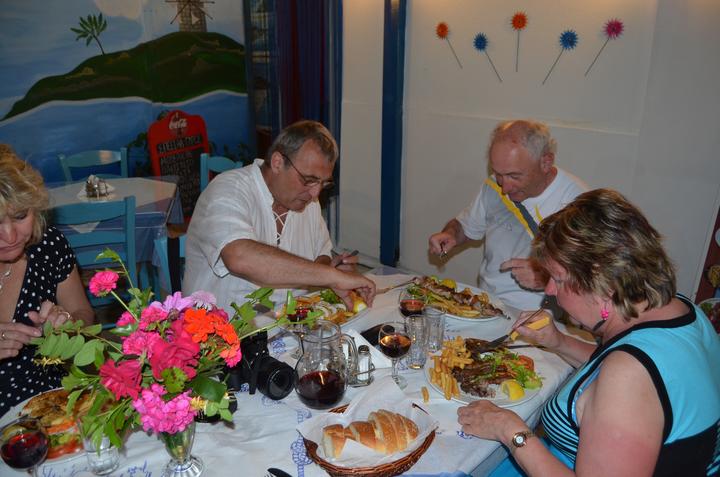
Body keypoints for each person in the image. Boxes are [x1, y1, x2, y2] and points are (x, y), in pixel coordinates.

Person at [457, 189, 720, 476]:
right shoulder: (680, 308)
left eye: (558, 279)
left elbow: (628, 378)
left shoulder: (628, 377)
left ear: (601, 283)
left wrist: (510, 430)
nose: (549, 290)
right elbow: (616, 369)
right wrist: (559, 341)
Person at [183, 120, 375, 313]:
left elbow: (321, 255)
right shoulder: (227, 190)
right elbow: (239, 257)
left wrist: (333, 270)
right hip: (222, 327)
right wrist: (330, 276)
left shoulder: (308, 201)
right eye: (309, 180)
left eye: (323, 183)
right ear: (277, 163)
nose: (315, 193)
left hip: (289, 322)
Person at [428, 119, 586, 312]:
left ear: (545, 162)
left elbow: (589, 276)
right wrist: (451, 234)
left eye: (514, 176)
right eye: (498, 174)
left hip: (542, 317)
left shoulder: (577, 202)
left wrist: (545, 276)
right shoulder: (494, 185)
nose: (504, 187)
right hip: (486, 306)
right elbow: (466, 227)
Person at [0, 145, 94, 417]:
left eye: (21, 216)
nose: (10, 236)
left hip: (50, 406)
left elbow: (83, 313)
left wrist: (68, 326)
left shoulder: (48, 246)